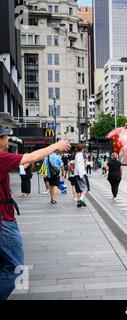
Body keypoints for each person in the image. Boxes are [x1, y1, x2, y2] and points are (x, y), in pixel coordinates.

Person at [0, 125, 70, 300]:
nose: (8, 140)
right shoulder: (0, 157)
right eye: (6, 137)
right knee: (16, 268)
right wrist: (55, 145)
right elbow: (31, 157)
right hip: (3, 220)